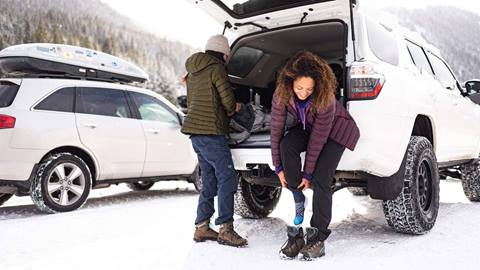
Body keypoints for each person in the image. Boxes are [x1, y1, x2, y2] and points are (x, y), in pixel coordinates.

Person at [271, 51, 360, 259]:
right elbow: (275, 131)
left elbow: (317, 141)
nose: (304, 93)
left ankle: (317, 236)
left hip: (337, 131)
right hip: (309, 126)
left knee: (321, 178)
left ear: (317, 86)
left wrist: (308, 174)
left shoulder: (325, 99)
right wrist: (278, 168)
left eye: (309, 89)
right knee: (287, 145)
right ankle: (298, 196)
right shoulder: (281, 94)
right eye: (299, 88)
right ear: (290, 82)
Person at [181, 34, 247, 247]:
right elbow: (227, 101)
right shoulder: (217, 68)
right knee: (227, 177)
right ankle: (226, 229)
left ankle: (201, 228)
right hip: (211, 132)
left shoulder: (193, 70)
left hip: (196, 134)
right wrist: (234, 107)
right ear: (224, 53)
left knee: (210, 180)